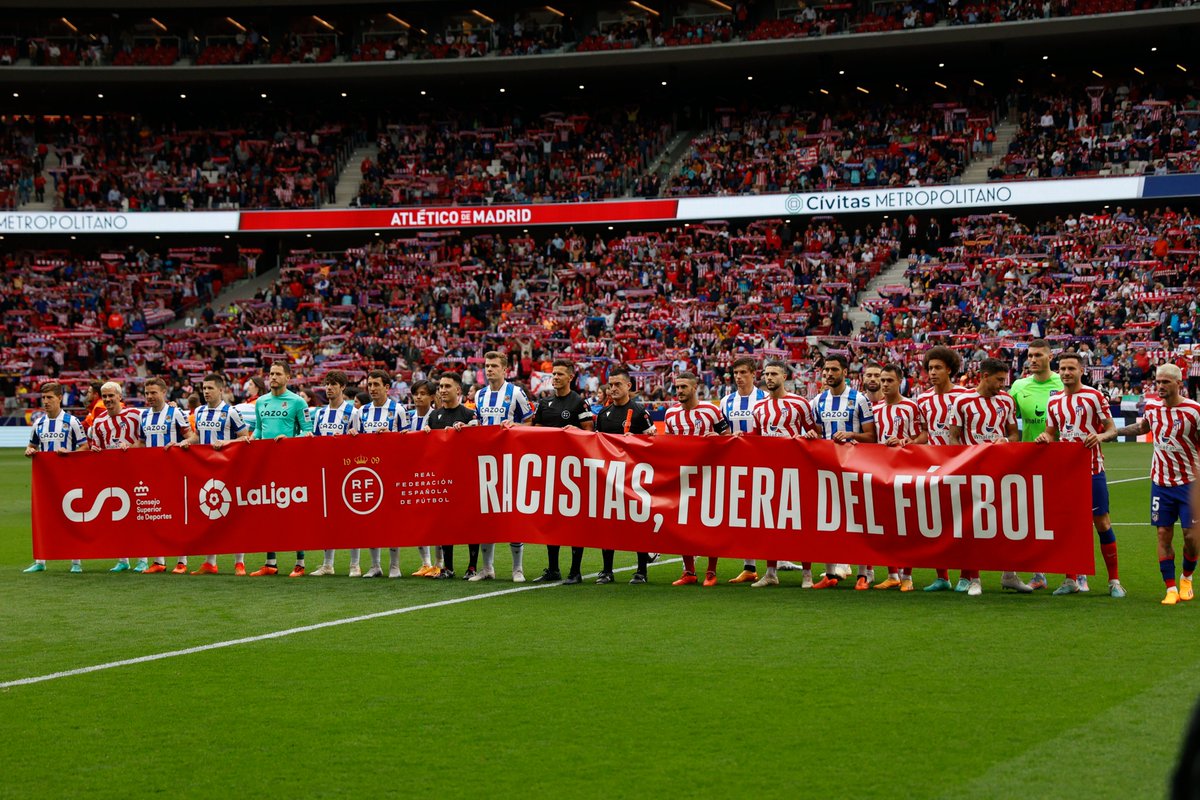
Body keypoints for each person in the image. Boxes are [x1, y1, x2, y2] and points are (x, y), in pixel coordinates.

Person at [1036, 352, 1125, 598]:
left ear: (1081, 370)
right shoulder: (1053, 402)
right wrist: (1046, 437)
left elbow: (1111, 428)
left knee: (1102, 523)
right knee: (1068, 526)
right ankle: (1070, 579)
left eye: (1071, 369)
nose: (1066, 373)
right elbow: (1051, 432)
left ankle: (1114, 581)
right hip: (1066, 472)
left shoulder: (1094, 396)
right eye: (1062, 368)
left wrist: (1100, 436)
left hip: (1092, 469)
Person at [1115, 364, 1200, 605]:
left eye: (1166, 382)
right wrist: (1112, 432)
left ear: (1179, 384)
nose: (1160, 387)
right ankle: (1171, 588)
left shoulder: (1194, 411)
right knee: (1163, 533)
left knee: (1192, 538)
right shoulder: (1152, 408)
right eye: (1158, 382)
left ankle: (1186, 578)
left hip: (1190, 483)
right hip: (1160, 483)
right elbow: (1142, 427)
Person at [949, 358, 1032, 596]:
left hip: (1001, 471)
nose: (1001, 385)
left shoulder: (1006, 401)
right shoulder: (962, 401)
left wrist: (1005, 441)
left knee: (1007, 523)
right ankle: (975, 579)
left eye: (1003, 381)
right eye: (998, 380)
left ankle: (1010, 575)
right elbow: (953, 436)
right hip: (972, 472)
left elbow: (1014, 434)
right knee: (975, 525)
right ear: (984, 376)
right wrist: (962, 460)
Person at [746, 359, 817, 588]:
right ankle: (770, 573)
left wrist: (809, 437)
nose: (769, 378)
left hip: (797, 470)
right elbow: (755, 438)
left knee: (801, 523)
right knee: (770, 524)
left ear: (784, 377)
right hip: (770, 472)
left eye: (774, 374)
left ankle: (807, 574)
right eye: (766, 374)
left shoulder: (800, 403)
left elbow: (814, 431)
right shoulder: (758, 406)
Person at [809, 354, 876, 590]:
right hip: (827, 468)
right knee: (827, 520)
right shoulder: (817, 400)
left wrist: (851, 435)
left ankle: (864, 574)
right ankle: (830, 574)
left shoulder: (859, 399)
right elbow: (817, 433)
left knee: (859, 521)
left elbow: (872, 436)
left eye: (834, 370)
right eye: (826, 370)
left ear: (845, 373)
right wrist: (812, 436)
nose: (828, 374)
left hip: (855, 466)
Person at [531, 359, 596, 584]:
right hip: (550, 469)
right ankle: (553, 568)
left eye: (560, 374)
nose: (556, 377)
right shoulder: (545, 403)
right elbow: (535, 432)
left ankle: (575, 571)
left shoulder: (579, 402)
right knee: (552, 520)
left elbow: (590, 432)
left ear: (570, 377)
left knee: (574, 521)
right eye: (554, 374)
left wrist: (574, 431)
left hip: (574, 471)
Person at [471, 350, 534, 582]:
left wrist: (514, 426)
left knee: (511, 514)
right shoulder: (480, 395)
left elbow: (529, 421)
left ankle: (517, 568)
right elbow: (478, 424)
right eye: (487, 366)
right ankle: (487, 568)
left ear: (504, 369)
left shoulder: (516, 392)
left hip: (509, 460)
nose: (489, 369)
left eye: (494, 366)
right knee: (487, 514)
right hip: (485, 461)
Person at [665, 371, 730, 586]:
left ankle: (711, 572)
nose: (679, 391)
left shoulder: (711, 410)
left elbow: (728, 438)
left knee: (710, 522)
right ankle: (689, 572)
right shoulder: (671, 414)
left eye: (684, 387)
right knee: (682, 523)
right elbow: (668, 444)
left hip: (709, 475)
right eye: (677, 387)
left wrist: (717, 440)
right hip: (682, 477)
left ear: (694, 388)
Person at [593, 366, 656, 584]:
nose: (613, 389)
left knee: (637, 522)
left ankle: (641, 571)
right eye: (611, 385)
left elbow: (651, 443)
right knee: (607, 523)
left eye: (618, 384)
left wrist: (639, 439)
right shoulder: (603, 414)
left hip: (634, 476)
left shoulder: (639, 412)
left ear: (629, 385)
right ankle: (607, 570)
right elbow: (595, 443)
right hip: (609, 476)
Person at [249, 361, 313, 578]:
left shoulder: (297, 402)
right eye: (271, 374)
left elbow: (308, 433)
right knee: (268, 512)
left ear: (288, 377)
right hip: (266, 465)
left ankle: (300, 563)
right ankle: (271, 563)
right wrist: (252, 439)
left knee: (293, 513)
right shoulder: (261, 402)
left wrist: (289, 440)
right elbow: (258, 429)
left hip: (290, 465)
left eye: (277, 374)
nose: (273, 377)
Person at [1008, 339, 1063, 590]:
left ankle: (1076, 574)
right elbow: (1006, 418)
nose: (1032, 359)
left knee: (1063, 517)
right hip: (1031, 459)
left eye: (1038, 355)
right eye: (1029, 355)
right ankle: (1039, 574)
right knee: (1032, 518)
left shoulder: (1063, 383)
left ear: (1050, 357)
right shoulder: (1019, 386)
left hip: (1063, 458)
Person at [186, 373, 252, 574]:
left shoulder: (231, 412)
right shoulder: (199, 412)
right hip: (205, 469)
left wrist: (225, 442)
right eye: (204, 388)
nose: (206, 392)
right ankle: (210, 562)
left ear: (220, 390)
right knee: (208, 513)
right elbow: (197, 436)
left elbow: (245, 438)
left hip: (228, 469)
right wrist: (184, 443)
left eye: (210, 388)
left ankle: (239, 562)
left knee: (233, 515)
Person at [916, 346, 969, 592]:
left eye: (938, 368)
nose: (933, 373)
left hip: (960, 466)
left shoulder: (964, 396)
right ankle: (942, 576)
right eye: (929, 368)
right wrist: (911, 442)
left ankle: (967, 575)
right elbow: (925, 433)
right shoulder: (923, 399)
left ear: (949, 369)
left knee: (963, 522)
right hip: (933, 467)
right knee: (937, 521)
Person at [871, 363, 927, 591]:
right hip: (881, 472)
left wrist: (909, 442)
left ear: (900, 381)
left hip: (906, 470)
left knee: (906, 525)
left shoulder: (911, 407)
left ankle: (908, 577)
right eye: (882, 381)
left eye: (889, 381)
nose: (885, 385)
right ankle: (892, 573)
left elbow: (924, 434)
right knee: (886, 526)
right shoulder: (875, 410)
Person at [23, 381, 88, 574]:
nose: (45, 401)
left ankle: (76, 563)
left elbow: (84, 446)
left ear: (60, 398)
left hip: (68, 478)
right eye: (43, 398)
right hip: (46, 480)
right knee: (43, 520)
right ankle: (40, 561)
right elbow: (32, 445)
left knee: (71, 519)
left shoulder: (72, 421)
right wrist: (29, 450)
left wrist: (69, 452)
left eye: (49, 397)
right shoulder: (39, 423)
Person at [350, 368, 409, 578]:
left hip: (391, 471)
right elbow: (355, 440)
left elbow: (408, 439)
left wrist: (391, 436)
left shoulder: (399, 410)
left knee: (391, 520)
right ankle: (375, 565)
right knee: (370, 519)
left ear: (387, 387)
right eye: (370, 385)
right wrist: (353, 435)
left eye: (376, 385)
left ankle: (394, 565)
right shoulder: (361, 412)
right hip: (369, 472)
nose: (372, 388)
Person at [720, 356, 772, 584]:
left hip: (764, 463)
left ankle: (774, 565)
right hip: (736, 465)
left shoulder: (765, 398)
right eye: (736, 373)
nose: (739, 377)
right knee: (743, 514)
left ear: (753, 374)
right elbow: (722, 433)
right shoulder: (726, 401)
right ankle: (749, 566)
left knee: (767, 513)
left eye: (743, 373)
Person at [87, 381, 145, 573]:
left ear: (120, 397)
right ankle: (123, 559)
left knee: (138, 517)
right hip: (113, 475)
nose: (108, 400)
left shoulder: (136, 415)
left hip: (136, 472)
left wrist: (133, 447)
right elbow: (97, 446)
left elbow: (148, 435)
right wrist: (96, 450)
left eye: (111, 396)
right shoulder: (99, 421)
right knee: (118, 516)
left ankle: (143, 558)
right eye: (104, 396)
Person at [137, 377, 192, 575]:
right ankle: (158, 560)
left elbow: (190, 438)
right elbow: (142, 444)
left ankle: (181, 560)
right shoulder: (144, 416)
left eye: (153, 392)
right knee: (154, 516)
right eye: (147, 393)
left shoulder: (175, 412)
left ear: (163, 392)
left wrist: (178, 446)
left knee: (177, 517)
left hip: (174, 472)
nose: (150, 397)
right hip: (151, 474)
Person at [425, 372, 477, 580]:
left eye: (447, 386)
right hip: (443, 476)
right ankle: (448, 567)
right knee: (445, 523)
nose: (443, 390)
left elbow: (477, 441)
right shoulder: (434, 416)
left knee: (470, 523)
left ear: (458, 390)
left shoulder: (468, 414)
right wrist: (426, 435)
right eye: (440, 387)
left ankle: (472, 567)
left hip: (466, 476)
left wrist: (466, 431)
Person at [310, 371, 355, 577]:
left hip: (347, 471)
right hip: (325, 472)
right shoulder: (319, 413)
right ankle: (328, 564)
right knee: (327, 519)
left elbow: (360, 441)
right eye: (327, 384)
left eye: (333, 384)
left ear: (342, 387)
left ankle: (355, 564)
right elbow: (318, 440)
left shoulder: (353, 412)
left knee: (352, 518)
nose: (329, 388)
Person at [406, 379, 440, 576]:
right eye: (416, 393)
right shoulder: (409, 417)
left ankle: (438, 563)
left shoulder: (436, 417)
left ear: (432, 397)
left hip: (433, 473)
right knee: (418, 520)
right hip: (413, 472)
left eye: (423, 393)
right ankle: (425, 563)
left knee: (434, 522)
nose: (418, 397)